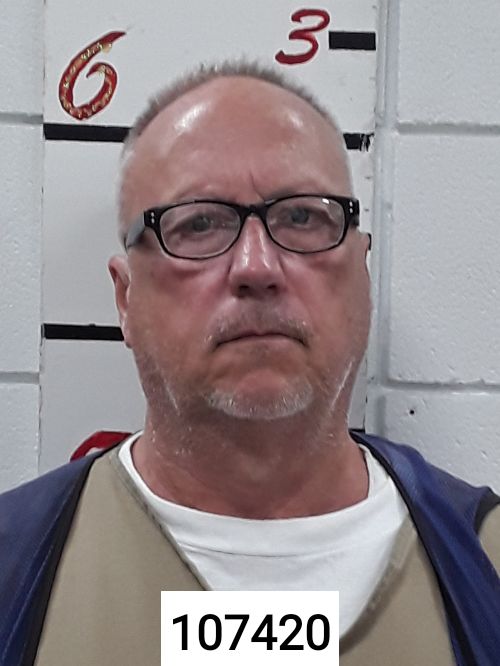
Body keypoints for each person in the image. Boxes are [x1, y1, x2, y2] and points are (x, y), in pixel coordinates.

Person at [1, 62, 499, 666]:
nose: (257, 267)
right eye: (198, 224)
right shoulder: (14, 562)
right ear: (125, 298)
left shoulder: (485, 563)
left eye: (303, 216)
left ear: (361, 275)